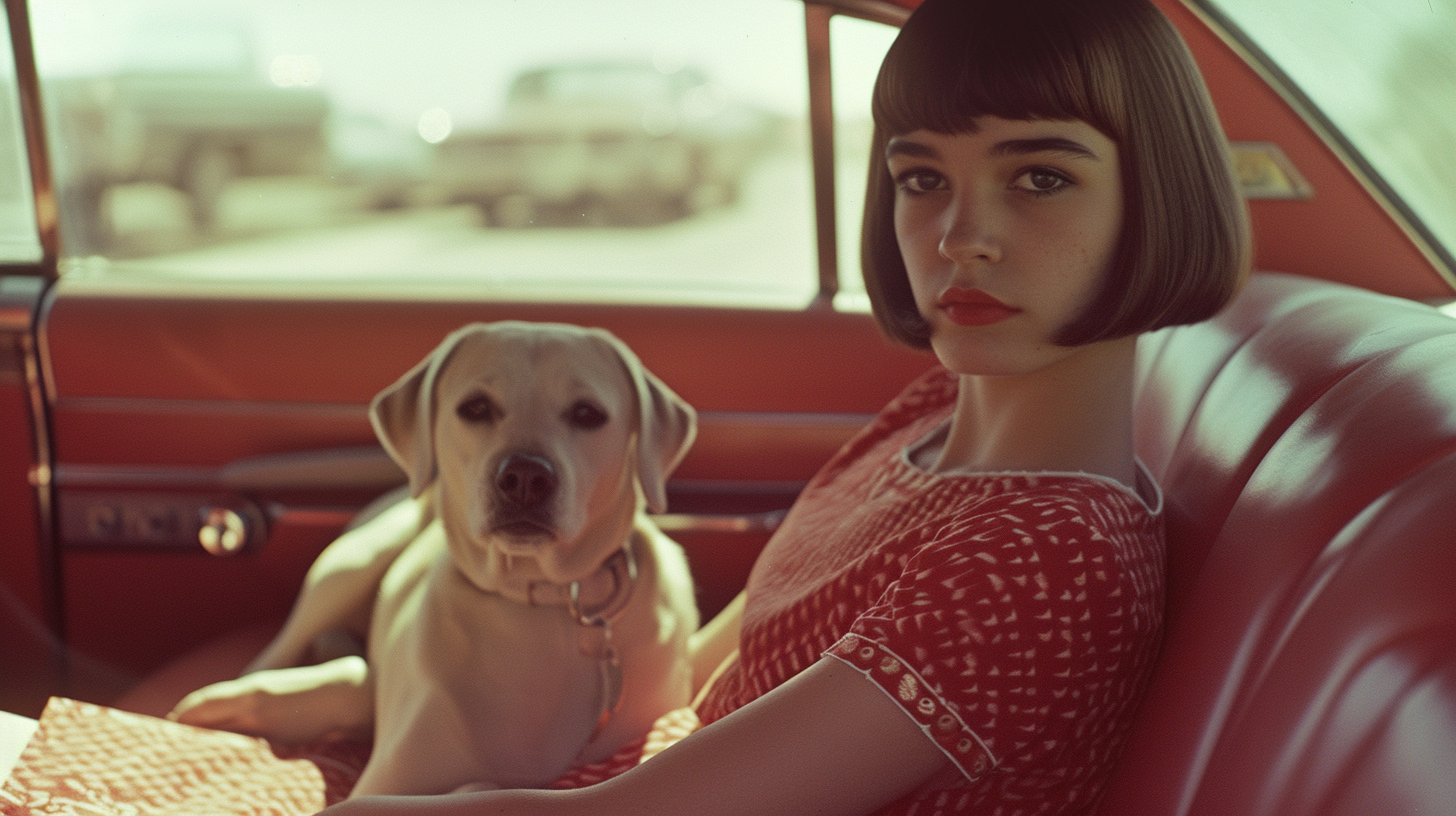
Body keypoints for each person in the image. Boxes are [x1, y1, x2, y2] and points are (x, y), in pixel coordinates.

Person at [322, 0, 1248, 812]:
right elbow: (704, 667)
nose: (961, 237)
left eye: (1040, 176)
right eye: (922, 177)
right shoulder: (932, 413)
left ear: (1153, 198)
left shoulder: (1045, 559)